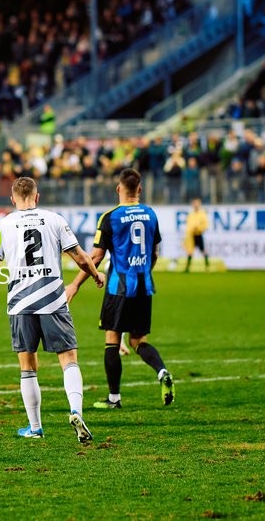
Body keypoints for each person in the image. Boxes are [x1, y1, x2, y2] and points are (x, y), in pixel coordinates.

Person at [0, 178, 103, 443]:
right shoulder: (55, 220)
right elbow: (81, 257)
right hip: (52, 300)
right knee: (68, 358)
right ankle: (75, 411)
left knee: (27, 366)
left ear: (13, 199)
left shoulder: (2, 225)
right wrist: (95, 274)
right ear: (37, 197)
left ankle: (35, 427)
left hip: (20, 302)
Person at [66, 168, 175, 409]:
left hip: (119, 287)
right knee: (138, 340)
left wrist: (75, 284)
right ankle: (162, 371)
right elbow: (154, 254)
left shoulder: (110, 217)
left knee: (112, 340)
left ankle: (114, 398)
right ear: (140, 189)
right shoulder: (150, 214)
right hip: (144, 287)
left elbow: (94, 257)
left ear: (118, 189)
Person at [184, 198, 209, 272]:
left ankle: (207, 266)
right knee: (190, 251)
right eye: (194, 203)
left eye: (197, 203)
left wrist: (198, 228)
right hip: (191, 235)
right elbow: (188, 225)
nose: (195, 205)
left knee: (203, 250)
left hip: (198, 234)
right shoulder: (191, 215)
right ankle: (187, 268)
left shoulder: (202, 214)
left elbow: (205, 225)